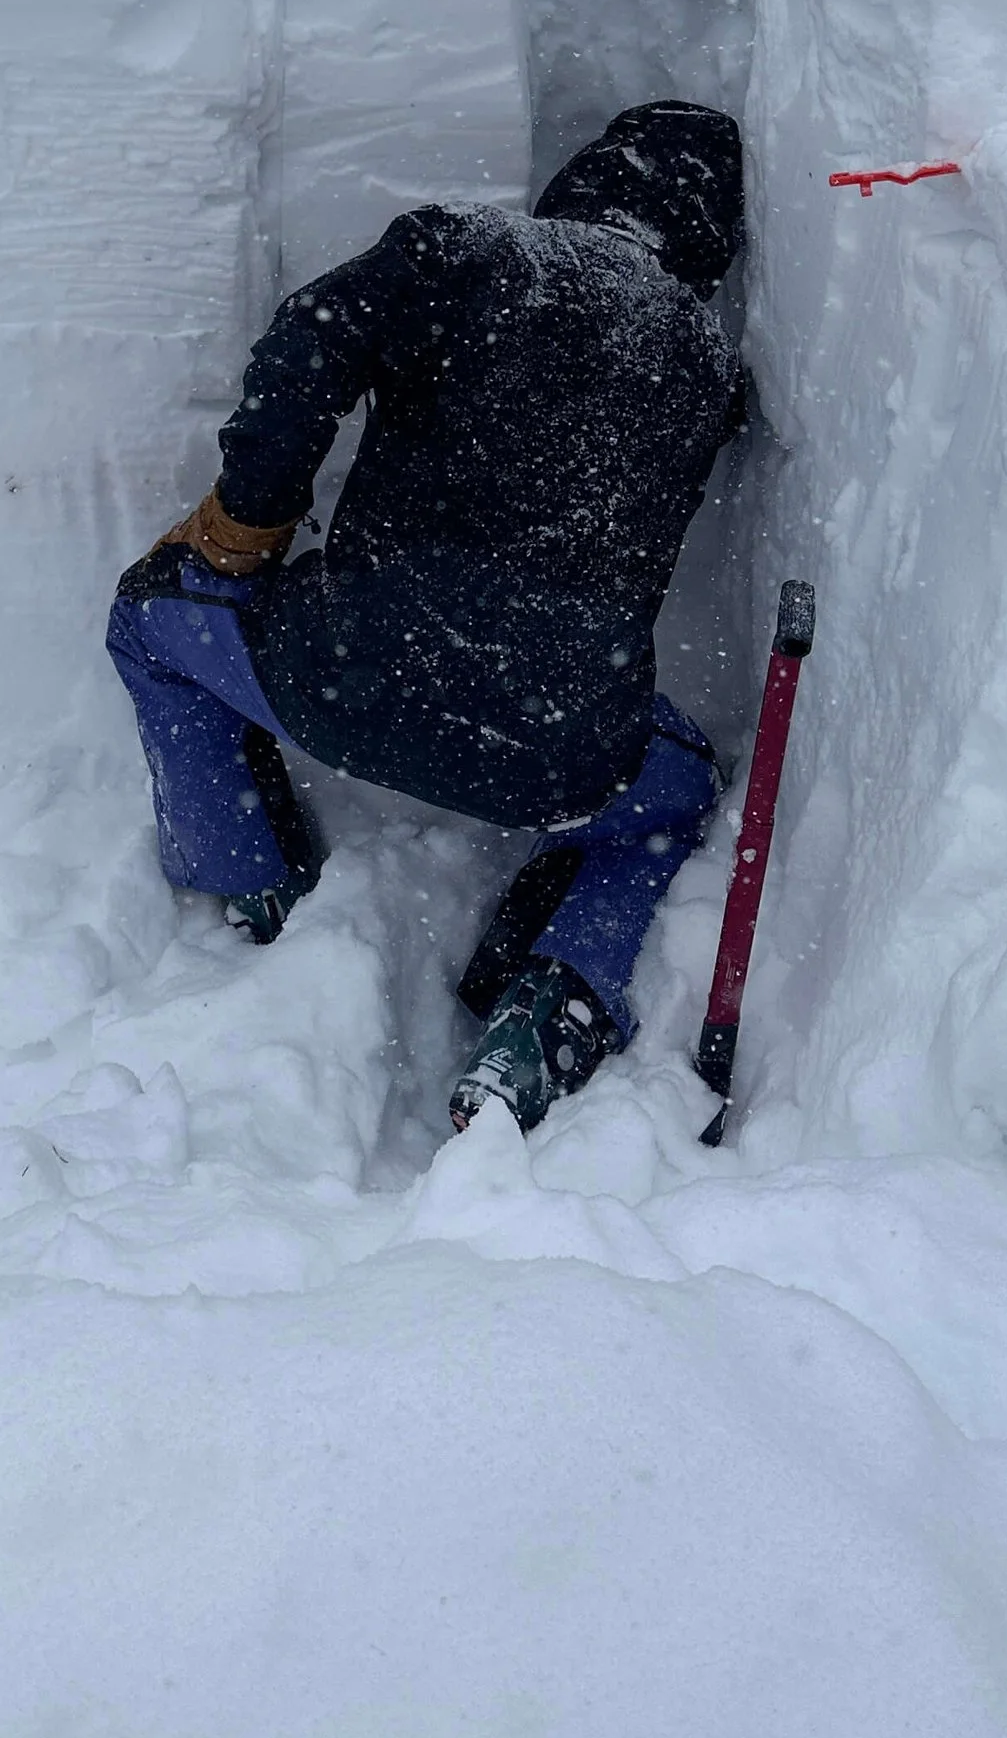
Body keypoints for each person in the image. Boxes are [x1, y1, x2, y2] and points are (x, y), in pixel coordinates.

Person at [107, 102, 750, 1134]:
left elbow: (308, 349)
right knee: (677, 798)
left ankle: (247, 880)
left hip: (342, 672)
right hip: (557, 758)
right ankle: (555, 1001)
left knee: (147, 622)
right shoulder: (702, 369)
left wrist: (247, 523)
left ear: (575, 191)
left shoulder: (469, 247)